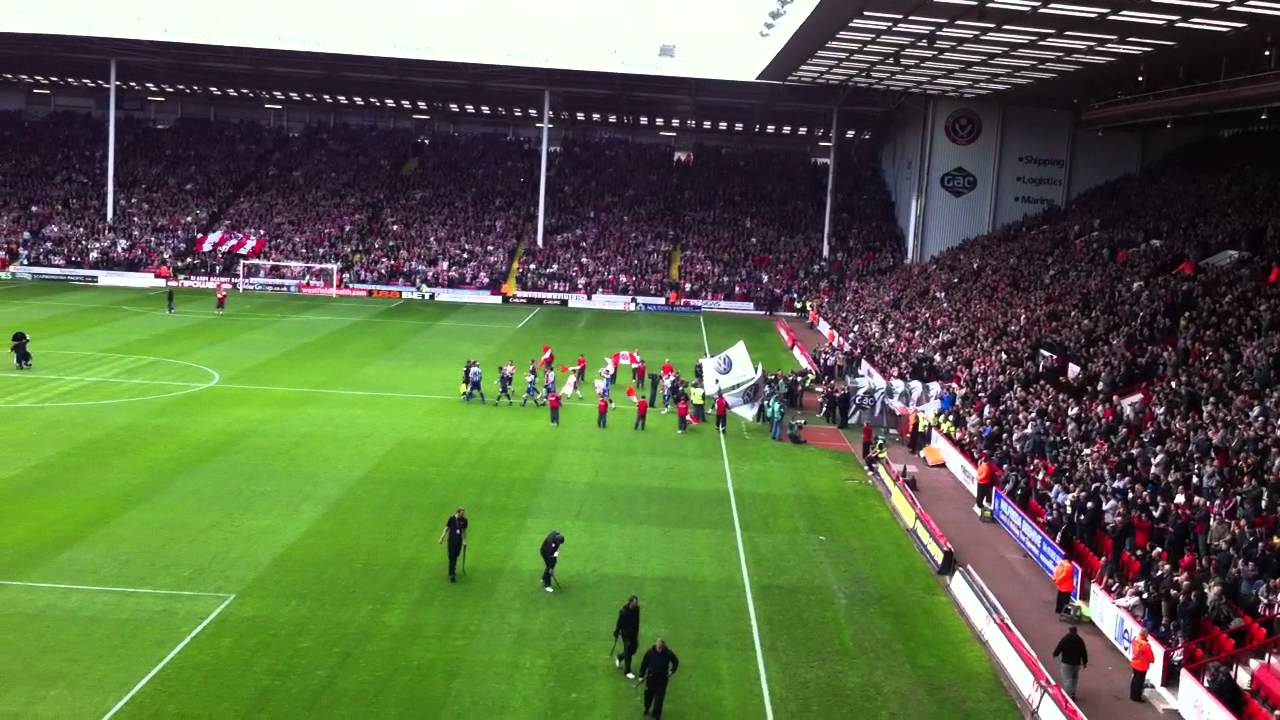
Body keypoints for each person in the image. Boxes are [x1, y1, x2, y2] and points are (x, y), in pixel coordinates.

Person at [638, 638, 679, 720]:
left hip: (662, 680)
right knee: (648, 697)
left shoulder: (668, 653)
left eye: (661, 648)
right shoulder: (649, 653)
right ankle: (647, 708)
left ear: (664, 647)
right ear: (656, 646)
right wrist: (641, 676)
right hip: (650, 679)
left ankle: (656, 715)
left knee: (659, 700)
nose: (660, 650)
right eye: (658, 648)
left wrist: (671, 671)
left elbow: (675, 661)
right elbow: (644, 664)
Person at [1052, 626, 1087, 699]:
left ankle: (1068, 696)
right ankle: (1073, 693)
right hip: (1077, 664)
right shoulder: (1080, 640)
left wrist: (1055, 654)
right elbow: (1084, 652)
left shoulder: (1065, 639)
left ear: (1069, 631)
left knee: (1067, 680)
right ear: (1076, 631)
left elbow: (1059, 647)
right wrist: (1084, 662)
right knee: (1074, 679)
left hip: (1066, 663)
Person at [437, 507, 468, 583]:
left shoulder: (464, 520)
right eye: (462, 513)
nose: (463, 515)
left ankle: (452, 570)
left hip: (459, 542)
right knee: (452, 557)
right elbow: (446, 528)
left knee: (456, 556)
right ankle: (452, 574)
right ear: (458, 512)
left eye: (463, 513)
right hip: (451, 541)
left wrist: (464, 540)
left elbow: (464, 531)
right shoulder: (451, 519)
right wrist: (441, 538)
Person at [614, 596, 641, 679]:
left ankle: (620, 657)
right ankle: (627, 671)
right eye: (635, 602)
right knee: (628, 650)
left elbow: (637, 621)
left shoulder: (637, 609)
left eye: (637, 602)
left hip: (634, 633)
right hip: (626, 634)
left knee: (634, 649)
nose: (636, 604)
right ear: (630, 602)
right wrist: (616, 632)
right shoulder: (623, 612)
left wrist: (637, 631)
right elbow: (619, 623)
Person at [1129, 628, 1154, 702]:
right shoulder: (1145, 645)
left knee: (1134, 679)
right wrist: (1151, 660)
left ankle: (1132, 695)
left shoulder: (1136, 640)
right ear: (1145, 634)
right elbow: (1151, 657)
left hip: (1135, 663)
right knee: (1139, 682)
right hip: (1142, 666)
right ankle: (1137, 697)